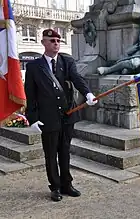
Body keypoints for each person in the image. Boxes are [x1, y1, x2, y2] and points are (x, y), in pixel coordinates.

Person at [24, 29, 98, 202]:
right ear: (43, 43)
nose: (56, 43)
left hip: (67, 115)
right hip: (48, 118)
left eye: (58, 40)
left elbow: (76, 78)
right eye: (52, 40)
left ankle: (67, 184)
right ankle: (55, 187)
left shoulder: (67, 61)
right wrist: (33, 118)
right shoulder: (34, 67)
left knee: (65, 152)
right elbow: (31, 93)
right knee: (51, 154)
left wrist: (87, 93)